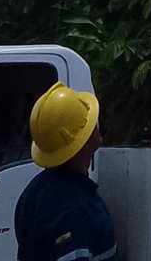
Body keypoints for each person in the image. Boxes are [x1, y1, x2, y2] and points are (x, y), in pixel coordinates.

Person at [14, 84, 116, 261]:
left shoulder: (35, 191)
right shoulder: (73, 209)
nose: (95, 124)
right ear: (80, 142)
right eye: (89, 122)